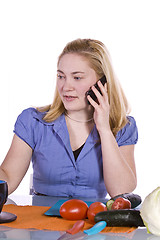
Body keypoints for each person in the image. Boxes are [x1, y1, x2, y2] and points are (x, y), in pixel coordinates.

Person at [0, 38, 138, 198]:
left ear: (102, 83)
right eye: (61, 76)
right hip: (41, 219)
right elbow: (8, 178)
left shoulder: (123, 127)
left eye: (77, 77)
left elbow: (121, 192)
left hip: (93, 220)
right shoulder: (33, 121)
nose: (66, 87)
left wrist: (105, 129)